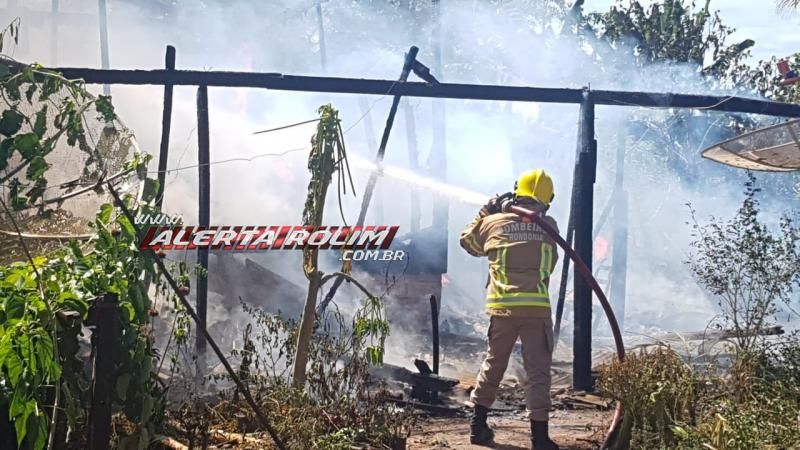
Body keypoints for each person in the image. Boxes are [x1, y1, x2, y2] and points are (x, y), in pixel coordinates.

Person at [459, 168, 560, 450]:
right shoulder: (550, 225)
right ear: (546, 200)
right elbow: (551, 263)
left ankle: (478, 428)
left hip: (501, 307)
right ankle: (540, 439)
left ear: (517, 192)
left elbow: (467, 243)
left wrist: (485, 212)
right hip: (536, 310)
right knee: (538, 372)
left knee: (493, 364)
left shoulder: (492, 223)